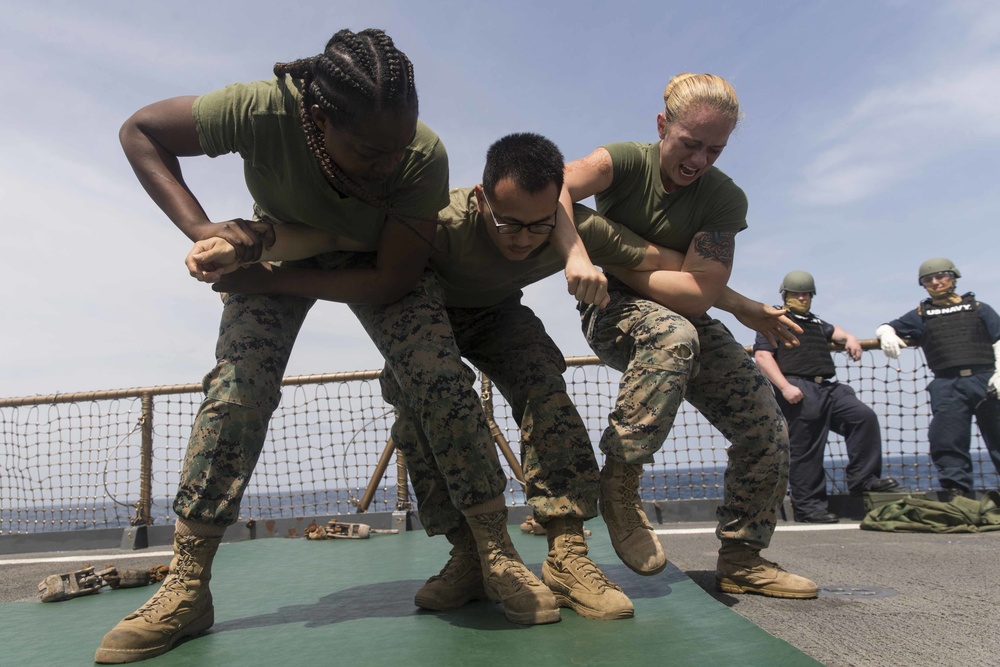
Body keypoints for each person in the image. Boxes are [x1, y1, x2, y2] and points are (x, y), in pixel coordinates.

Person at [188, 132, 801, 620]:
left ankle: (567, 549)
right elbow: (337, 236)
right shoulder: (438, 219)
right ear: (482, 198)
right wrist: (251, 248)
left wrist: (742, 305)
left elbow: (662, 263)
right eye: (510, 224)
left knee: (545, 385)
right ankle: (467, 557)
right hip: (426, 309)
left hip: (498, 316)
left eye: (540, 226)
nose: (524, 239)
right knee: (415, 401)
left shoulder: (573, 231)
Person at [95, 29, 551, 663]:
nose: (390, 163)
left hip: (371, 257)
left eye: (399, 145)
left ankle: (492, 556)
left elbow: (390, 278)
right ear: (316, 116)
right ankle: (187, 585)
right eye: (369, 149)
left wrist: (263, 272)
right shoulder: (262, 111)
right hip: (273, 241)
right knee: (236, 389)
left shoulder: (419, 156)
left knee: (438, 378)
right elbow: (140, 131)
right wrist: (207, 230)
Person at [555, 72, 818, 599]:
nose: (698, 161)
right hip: (614, 310)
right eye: (690, 143)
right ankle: (621, 484)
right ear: (662, 125)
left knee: (766, 427)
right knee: (673, 334)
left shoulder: (723, 200)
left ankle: (742, 557)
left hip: (687, 318)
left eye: (714, 150)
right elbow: (552, 186)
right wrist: (580, 252)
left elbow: (698, 295)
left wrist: (617, 250)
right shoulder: (623, 161)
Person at [753, 271, 899, 524]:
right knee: (806, 448)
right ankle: (809, 507)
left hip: (828, 388)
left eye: (806, 294)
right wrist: (785, 387)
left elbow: (836, 332)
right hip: (797, 386)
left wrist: (851, 338)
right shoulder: (775, 321)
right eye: (796, 293)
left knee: (863, 417)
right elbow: (763, 357)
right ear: (785, 295)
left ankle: (863, 481)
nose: (802, 297)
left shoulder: (816, 322)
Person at [876, 258, 1000, 498]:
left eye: (940, 276)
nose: (935, 282)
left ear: (953, 277)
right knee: (947, 441)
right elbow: (888, 326)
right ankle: (957, 494)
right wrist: (885, 332)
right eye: (928, 279)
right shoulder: (921, 314)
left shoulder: (979, 308)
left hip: (987, 381)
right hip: (947, 384)